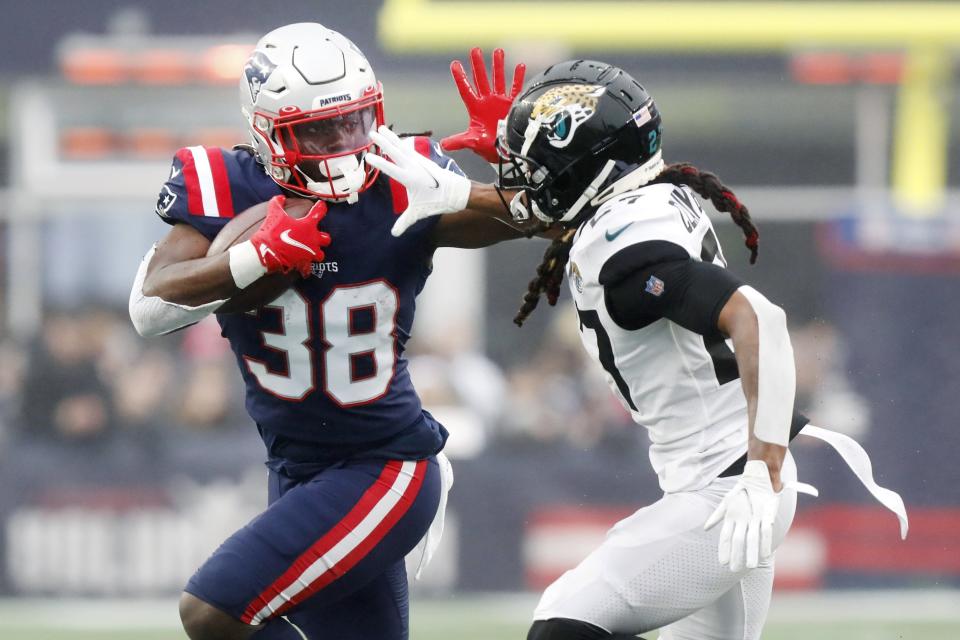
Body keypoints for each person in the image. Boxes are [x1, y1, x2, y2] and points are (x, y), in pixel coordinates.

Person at [379, 57, 909, 640]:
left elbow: (761, 319)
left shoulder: (626, 250)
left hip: (728, 489)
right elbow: (554, 212)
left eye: (543, 170)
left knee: (565, 619)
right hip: (726, 484)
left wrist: (764, 469)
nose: (525, 182)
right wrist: (474, 186)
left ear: (590, 170)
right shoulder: (642, 197)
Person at [127, 23, 529, 640]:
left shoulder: (403, 175)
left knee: (210, 612)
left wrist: (514, 170)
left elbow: (542, 222)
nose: (345, 142)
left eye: (357, 120)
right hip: (295, 467)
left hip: (385, 464)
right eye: (320, 128)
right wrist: (253, 258)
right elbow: (149, 309)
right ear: (268, 131)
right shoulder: (228, 186)